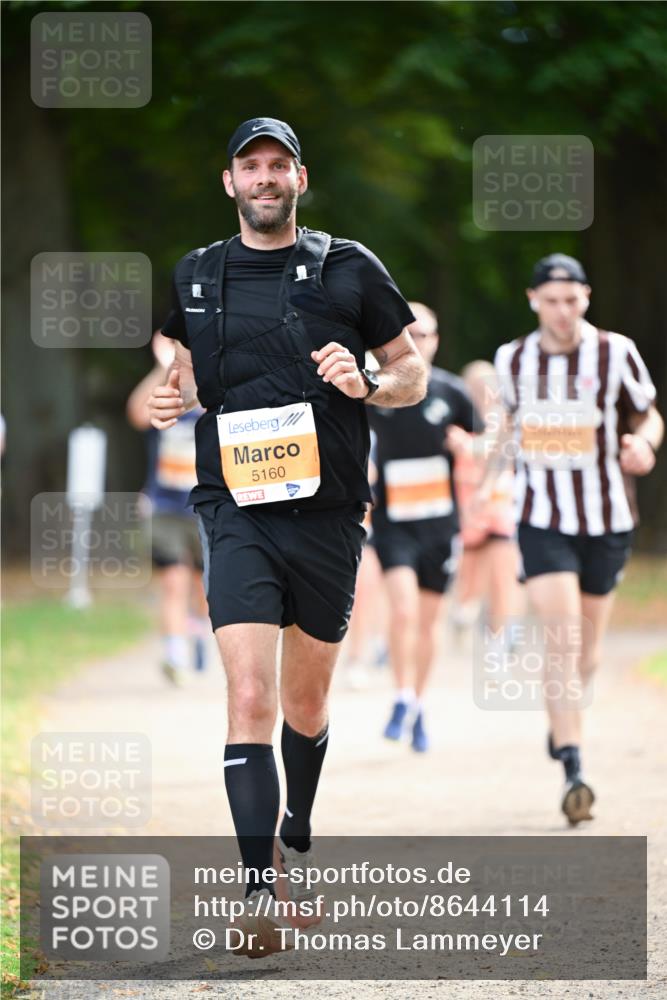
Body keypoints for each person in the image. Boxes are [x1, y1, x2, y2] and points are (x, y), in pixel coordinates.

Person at [148, 117, 426, 956]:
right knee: (248, 699)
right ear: (228, 182)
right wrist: (172, 387)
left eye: (278, 165)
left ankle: (295, 824)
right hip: (232, 507)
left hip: (329, 512)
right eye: (249, 166)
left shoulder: (349, 267)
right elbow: (174, 348)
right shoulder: (196, 273)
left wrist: (368, 379)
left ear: (299, 179)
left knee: (304, 705)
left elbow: (408, 370)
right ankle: (258, 889)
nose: (263, 178)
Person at [491, 253, 663, 825]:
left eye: (573, 300)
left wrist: (645, 445)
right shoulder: (512, 359)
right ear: (533, 299)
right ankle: (574, 767)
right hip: (542, 519)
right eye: (552, 301)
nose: (563, 312)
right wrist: (486, 473)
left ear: (586, 298)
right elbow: (506, 428)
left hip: (608, 518)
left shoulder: (616, 352)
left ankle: (560, 724)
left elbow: (648, 414)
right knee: (564, 642)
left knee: (587, 653)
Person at [368, 303, 478, 753]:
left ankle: (419, 702)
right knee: (403, 612)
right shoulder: (373, 391)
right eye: (408, 334)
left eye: (427, 334)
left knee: (429, 623)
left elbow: (489, 444)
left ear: (438, 340)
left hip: (439, 525)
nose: (419, 342)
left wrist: (468, 445)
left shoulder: (451, 393)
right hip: (393, 523)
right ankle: (400, 696)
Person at [127, 332, 209, 685]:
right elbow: (136, 415)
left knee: (204, 587)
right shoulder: (162, 392)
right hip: (165, 507)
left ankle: (200, 628)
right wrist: (161, 368)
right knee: (174, 582)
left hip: (205, 507)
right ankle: (174, 655)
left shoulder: (208, 384)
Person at [447, 361, 523, 646]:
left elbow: (503, 448)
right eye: (476, 386)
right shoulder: (457, 421)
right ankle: (464, 612)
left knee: (504, 576)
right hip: (468, 512)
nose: (483, 391)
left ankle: (500, 639)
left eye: (488, 384)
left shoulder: (503, 421)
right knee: (470, 578)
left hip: (502, 509)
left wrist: (474, 448)